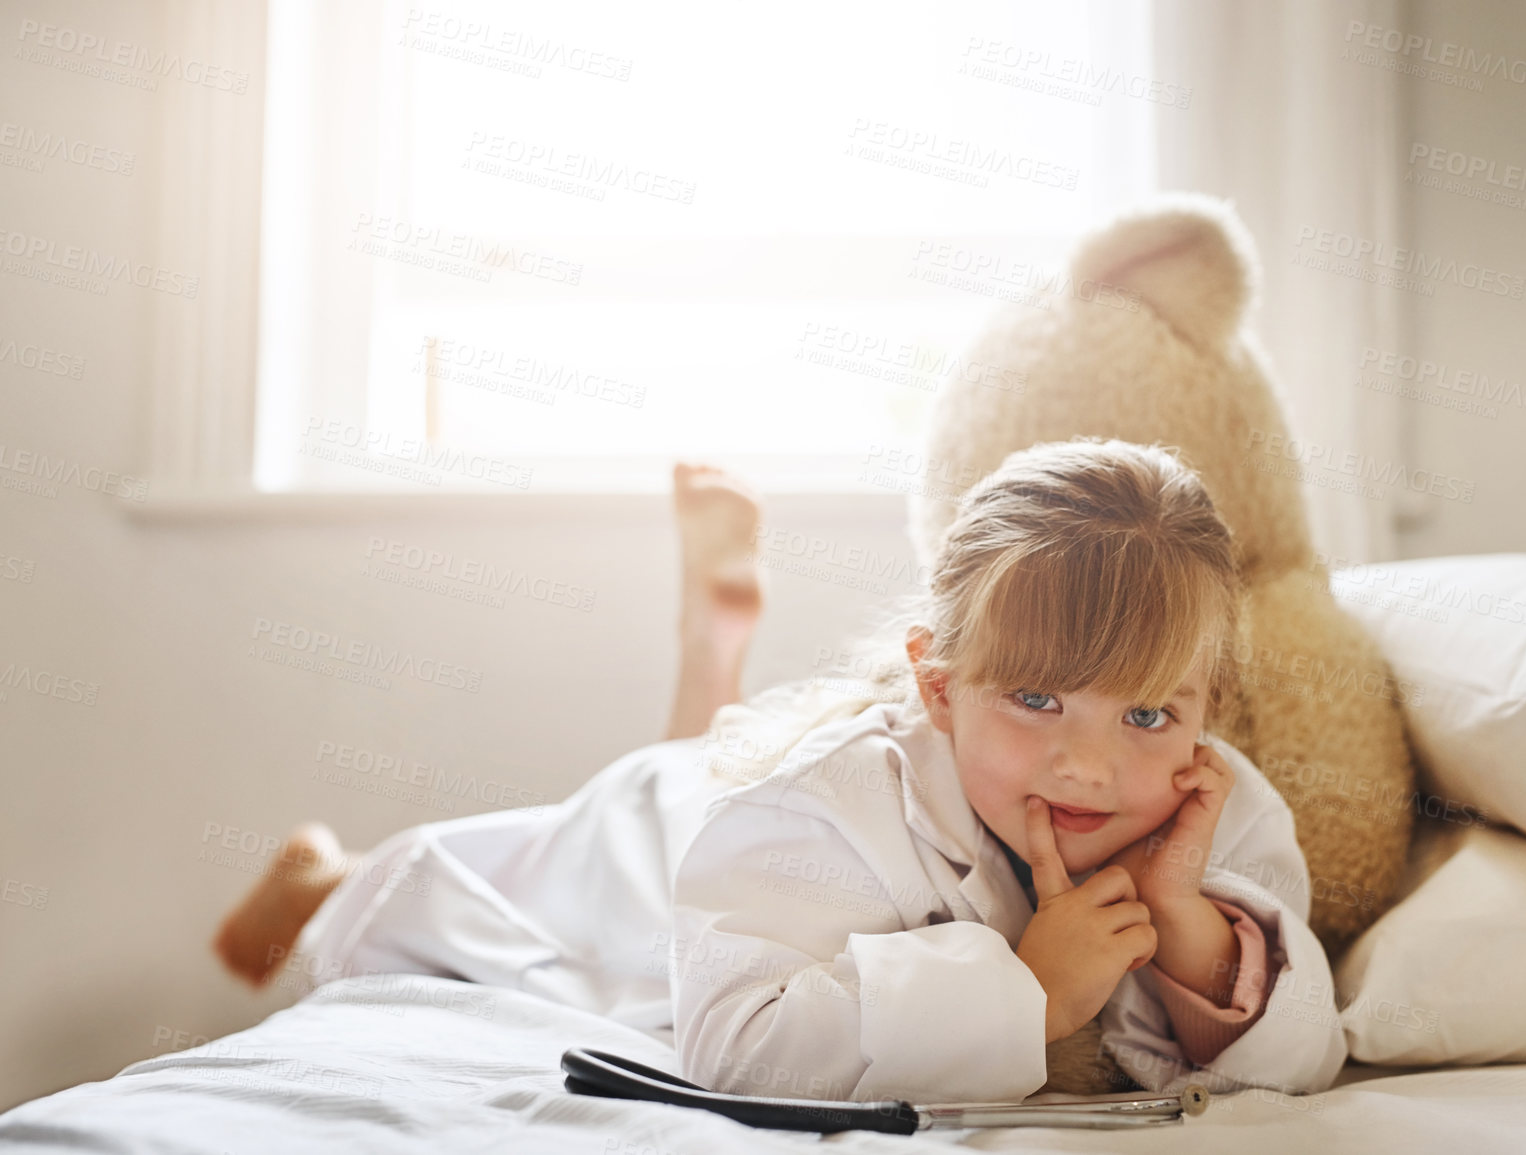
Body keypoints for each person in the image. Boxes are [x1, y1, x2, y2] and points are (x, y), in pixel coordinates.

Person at [212, 439, 1347, 1104]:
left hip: (761, 798)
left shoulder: (1212, 807)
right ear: (943, 686)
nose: (1091, 764)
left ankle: (716, 647)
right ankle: (329, 875)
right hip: (674, 835)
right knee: (509, 886)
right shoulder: (831, 803)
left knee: (714, 750)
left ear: (1207, 715)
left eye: (1147, 712)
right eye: (1038, 699)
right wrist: (1028, 993)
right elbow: (736, 1040)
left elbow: (1299, 1057)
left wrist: (1190, 923)